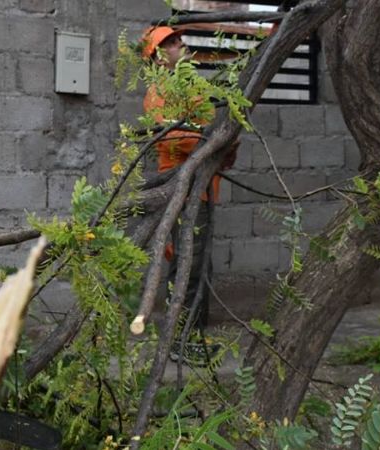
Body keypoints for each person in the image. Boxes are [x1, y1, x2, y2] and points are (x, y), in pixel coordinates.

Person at [141, 26, 237, 352]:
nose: (179, 44)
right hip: (182, 188)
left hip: (204, 186)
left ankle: (193, 338)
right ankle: (181, 342)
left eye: (178, 39)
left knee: (199, 265)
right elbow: (174, 137)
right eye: (169, 43)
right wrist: (213, 141)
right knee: (188, 266)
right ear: (156, 56)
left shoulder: (191, 87)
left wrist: (225, 144)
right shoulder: (158, 93)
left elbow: (214, 136)